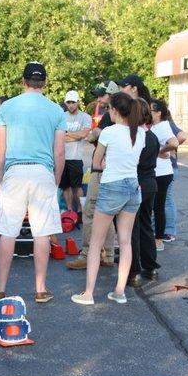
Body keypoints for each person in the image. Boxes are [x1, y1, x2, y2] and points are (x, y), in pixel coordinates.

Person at [0, 62, 67, 304]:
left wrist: (2, 177)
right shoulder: (56, 110)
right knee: (42, 232)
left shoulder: (7, 107)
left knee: (6, 231)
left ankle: (0, 288)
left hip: (15, 171)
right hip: (43, 172)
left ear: (23, 81)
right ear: (43, 83)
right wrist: (55, 180)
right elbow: (60, 153)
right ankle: (41, 288)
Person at [71, 92, 145, 306]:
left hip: (112, 185)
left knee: (95, 242)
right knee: (125, 241)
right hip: (133, 187)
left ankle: (88, 293)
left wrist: (106, 164)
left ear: (114, 110)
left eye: (108, 109)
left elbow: (96, 162)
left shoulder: (109, 132)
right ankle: (119, 291)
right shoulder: (139, 133)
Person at [65, 80, 121, 270]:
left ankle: (88, 253)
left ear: (112, 93)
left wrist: (90, 136)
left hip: (103, 168)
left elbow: (91, 136)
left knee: (90, 210)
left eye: (101, 95)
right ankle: (108, 254)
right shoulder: (122, 112)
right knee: (107, 212)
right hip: (116, 168)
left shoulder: (111, 115)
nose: (98, 99)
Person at [128, 98, 161, 285]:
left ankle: (134, 271)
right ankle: (151, 266)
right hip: (150, 184)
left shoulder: (135, 137)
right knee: (147, 225)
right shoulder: (152, 136)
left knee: (132, 229)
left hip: (137, 184)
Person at [149, 99, 179, 252]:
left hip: (162, 173)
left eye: (151, 111)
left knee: (158, 207)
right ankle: (154, 238)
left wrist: (161, 151)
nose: (148, 113)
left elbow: (174, 142)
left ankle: (158, 240)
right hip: (158, 172)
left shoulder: (162, 126)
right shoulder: (155, 126)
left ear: (159, 113)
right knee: (154, 206)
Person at [60, 90, 91, 222]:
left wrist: (68, 134)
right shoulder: (61, 116)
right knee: (65, 186)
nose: (71, 105)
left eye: (73, 102)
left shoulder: (85, 117)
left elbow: (84, 134)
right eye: (68, 102)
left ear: (78, 102)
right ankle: (69, 210)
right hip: (63, 157)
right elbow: (60, 136)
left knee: (77, 186)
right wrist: (75, 136)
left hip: (76, 157)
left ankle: (79, 210)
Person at [163, 108, 188, 242]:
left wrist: (168, 148)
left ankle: (169, 230)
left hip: (170, 167)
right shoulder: (166, 125)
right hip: (170, 167)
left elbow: (183, 135)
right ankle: (167, 230)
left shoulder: (167, 125)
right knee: (165, 199)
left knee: (167, 199)